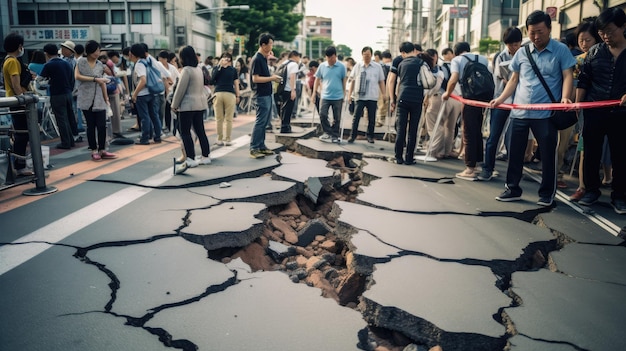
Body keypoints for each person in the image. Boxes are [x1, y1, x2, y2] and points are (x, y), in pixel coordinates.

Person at [490, 10, 576, 207]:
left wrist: (565, 97)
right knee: (515, 152)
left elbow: (567, 75)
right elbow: (514, 79)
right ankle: (512, 189)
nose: (536, 37)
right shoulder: (522, 51)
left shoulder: (561, 50)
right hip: (520, 111)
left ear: (549, 29)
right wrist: (501, 99)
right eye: (531, 33)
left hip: (545, 113)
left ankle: (546, 193)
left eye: (540, 32)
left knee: (547, 154)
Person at [576, 7, 626, 214]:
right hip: (594, 111)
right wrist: (577, 106)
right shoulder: (595, 52)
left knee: (621, 155)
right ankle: (591, 191)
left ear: (623, 27)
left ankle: (620, 196)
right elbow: (584, 80)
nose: (605, 36)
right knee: (591, 153)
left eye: (610, 31)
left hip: (622, 114)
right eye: (602, 32)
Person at [478, 27, 523, 181]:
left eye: (516, 44)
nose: (513, 47)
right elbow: (499, 77)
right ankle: (487, 168)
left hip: (518, 103)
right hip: (501, 101)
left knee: (513, 140)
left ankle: (513, 175)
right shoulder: (500, 56)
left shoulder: (525, 54)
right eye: (510, 44)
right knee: (493, 137)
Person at [442, 42, 491, 180]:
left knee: (468, 132)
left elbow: (453, 79)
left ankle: (470, 168)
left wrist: (447, 93)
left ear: (456, 52)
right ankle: (478, 164)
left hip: (468, 98)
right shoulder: (482, 59)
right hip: (482, 99)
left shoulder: (457, 60)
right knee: (477, 131)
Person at [568, 19, 603, 202]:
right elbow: (576, 85)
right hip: (587, 111)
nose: (583, 44)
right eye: (581, 40)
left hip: (609, 110)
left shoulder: (609, 57)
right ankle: (583, 186)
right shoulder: (578, 61)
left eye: (588, 40)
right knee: (585, 149)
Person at [390, 42, 432, 165]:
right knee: (413, 130)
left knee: (401, 128)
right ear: (414, 50)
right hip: (417, 99)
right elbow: (428, 80)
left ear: (402, 52)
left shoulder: (401, 63)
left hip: (403, 98)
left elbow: (398, 83)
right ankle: (409, 158)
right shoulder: (421, 63)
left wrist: (394, 99)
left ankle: (398, 157)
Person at [75, 40, 117, 161]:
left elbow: (102, 82)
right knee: (91, 125)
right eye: (97, 50)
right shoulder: (81, 61)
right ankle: (94, 150)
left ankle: (102, 149)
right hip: (86, 97)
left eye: (99, 50)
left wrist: (106, 98)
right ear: (90, 51)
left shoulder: (100, 64)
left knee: (102, 125)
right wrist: (95, 79)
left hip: (99, 97)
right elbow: (77, 76)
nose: (98, 52)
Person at [170, 45, 212, 169]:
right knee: (200, 131)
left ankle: (190, 158)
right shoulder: (198, 68)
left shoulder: (186, 70)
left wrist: (174, 105)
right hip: (199, 104)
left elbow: (180, 90)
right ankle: (205, 156)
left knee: (185, 132)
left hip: (187, 105)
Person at [2, 32, 33, 176]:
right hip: (18, 103)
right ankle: (20, 167)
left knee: (21, 134)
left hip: (14, 102)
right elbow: (15, 83)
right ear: (19, 46)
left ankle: (19, 165)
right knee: (23, 135)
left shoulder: (7, 60)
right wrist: (23, 98)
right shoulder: (13, 61)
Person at [249, 33, 282, 159]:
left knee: (265, 121)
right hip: (260, 95)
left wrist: (268, 55)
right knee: (261, 121)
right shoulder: (257, 59)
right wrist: (272, 78)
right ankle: (254, 147)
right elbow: (255, 78)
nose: (271, 46)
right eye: (270, 44)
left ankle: (261, 145)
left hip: (266, 94)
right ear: (263, 45)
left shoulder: (262, 57)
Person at [39, 43, 76, 150]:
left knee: (61, 119)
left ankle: (65, 143)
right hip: (68, 93)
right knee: (68, 118)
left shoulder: (48, 65)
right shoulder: (66, 63)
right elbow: (72, 79)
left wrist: (48, 83)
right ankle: (71, 140)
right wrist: (69, 89)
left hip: (57, 95)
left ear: (46, 53)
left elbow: (39, 81)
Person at [346, 46, 386, 143]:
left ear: (371, 55)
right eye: (365, 55)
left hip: (372, 96)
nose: (366, 57)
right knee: (356, 117)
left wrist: (384, 94)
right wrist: (349, 95)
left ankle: (370, 136)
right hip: (359, 96)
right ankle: (352, 135)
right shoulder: (358, 66)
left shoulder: (377, 67)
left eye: (368, 55)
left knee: (372, 118)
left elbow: (381, 81)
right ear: (362, 55)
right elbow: (352, 81)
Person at [129, 43, 162, 145]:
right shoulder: (147, 61)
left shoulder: (139, 64)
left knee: (145, 117)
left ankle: (145, 138)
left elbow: (143, 80)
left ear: (133, 54)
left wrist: (135, 94)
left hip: (142, 95)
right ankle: (157, 136)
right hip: (151, 92)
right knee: (154, 115)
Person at [313, 46, 347, 143]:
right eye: (327, 58)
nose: (329, 60)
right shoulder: (322, 66)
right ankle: (327, 132)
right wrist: (314, 93)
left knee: (337, 117)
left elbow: (344, 80)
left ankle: (335, 135)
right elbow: (317, 79)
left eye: (331, 58)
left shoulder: (342, 66)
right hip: (325, 96)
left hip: (338, 96)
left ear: (335, 56)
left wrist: (345, 93)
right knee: (322, 114)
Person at [211, 52, 240, 146]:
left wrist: (219, 66)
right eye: (225, 58)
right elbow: (236, 84)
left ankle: (220, 139)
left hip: (218, 93)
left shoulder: (216, 68)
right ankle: (227, 139)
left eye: (227, 58)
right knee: (228, 119)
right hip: (229, 94)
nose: (226, 60)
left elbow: (212, 81)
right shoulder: (232, 70)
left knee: (219, 118)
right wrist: (237, 95)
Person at [279, 50, 301, 133]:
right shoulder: (294, 64)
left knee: (284, 109)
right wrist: (293, 90)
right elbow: (292, 76)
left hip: (282, 89)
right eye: (298, 57)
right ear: (295, 56)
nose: (299, 59)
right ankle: (285, 127)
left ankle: (284, 126)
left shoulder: (284, 63)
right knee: (289, 109)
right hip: (289, 89)